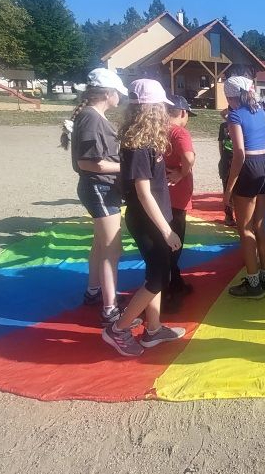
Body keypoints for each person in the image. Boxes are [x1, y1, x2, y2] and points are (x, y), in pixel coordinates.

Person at [102, 79, 186, 356]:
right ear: (152, 109)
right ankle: (118, 329)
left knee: (157, 275)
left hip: (155, 218)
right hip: (147, 221)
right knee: (158, 278)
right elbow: (143, 193)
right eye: (162, 106)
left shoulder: (148, 140)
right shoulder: (138, 146)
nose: (165, 111)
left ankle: (153, 329)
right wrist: (166, 230)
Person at [60, 68, 127, 325]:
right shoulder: (91, 118)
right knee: (112, 250)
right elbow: (89, 163)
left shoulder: (91, 115)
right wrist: (127, 167)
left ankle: (93, 291)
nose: (120, 97)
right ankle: (110, 309)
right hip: (100, 188)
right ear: (108, 93)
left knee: (100, 244)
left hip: (100, 188)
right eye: (118, 93)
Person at [223, 73, 265, 299]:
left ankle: (253, 284)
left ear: (230, 97)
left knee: (245, 229)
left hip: (250, 167)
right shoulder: (260, 111)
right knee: (260, 225)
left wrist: (228, 189)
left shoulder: (234, 115)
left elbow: (239, 154)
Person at [164, 94, 197, 311]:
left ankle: (175, 283)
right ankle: (169, 292)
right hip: (176, 198)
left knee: (166, 243)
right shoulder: (178, 132)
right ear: (183, 113)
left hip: (161, 197)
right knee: (174, 245)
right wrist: (182, 172)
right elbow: (188, 157)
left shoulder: (155, 129)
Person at [216, 110, 235, 226]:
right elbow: (220, 144)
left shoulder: (240, 125)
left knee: (235, 189)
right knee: (227, 187)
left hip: (234, 158)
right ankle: (229, 216)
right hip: (226, 160)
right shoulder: (224, 126)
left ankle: (235, 215)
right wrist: (222, 158)